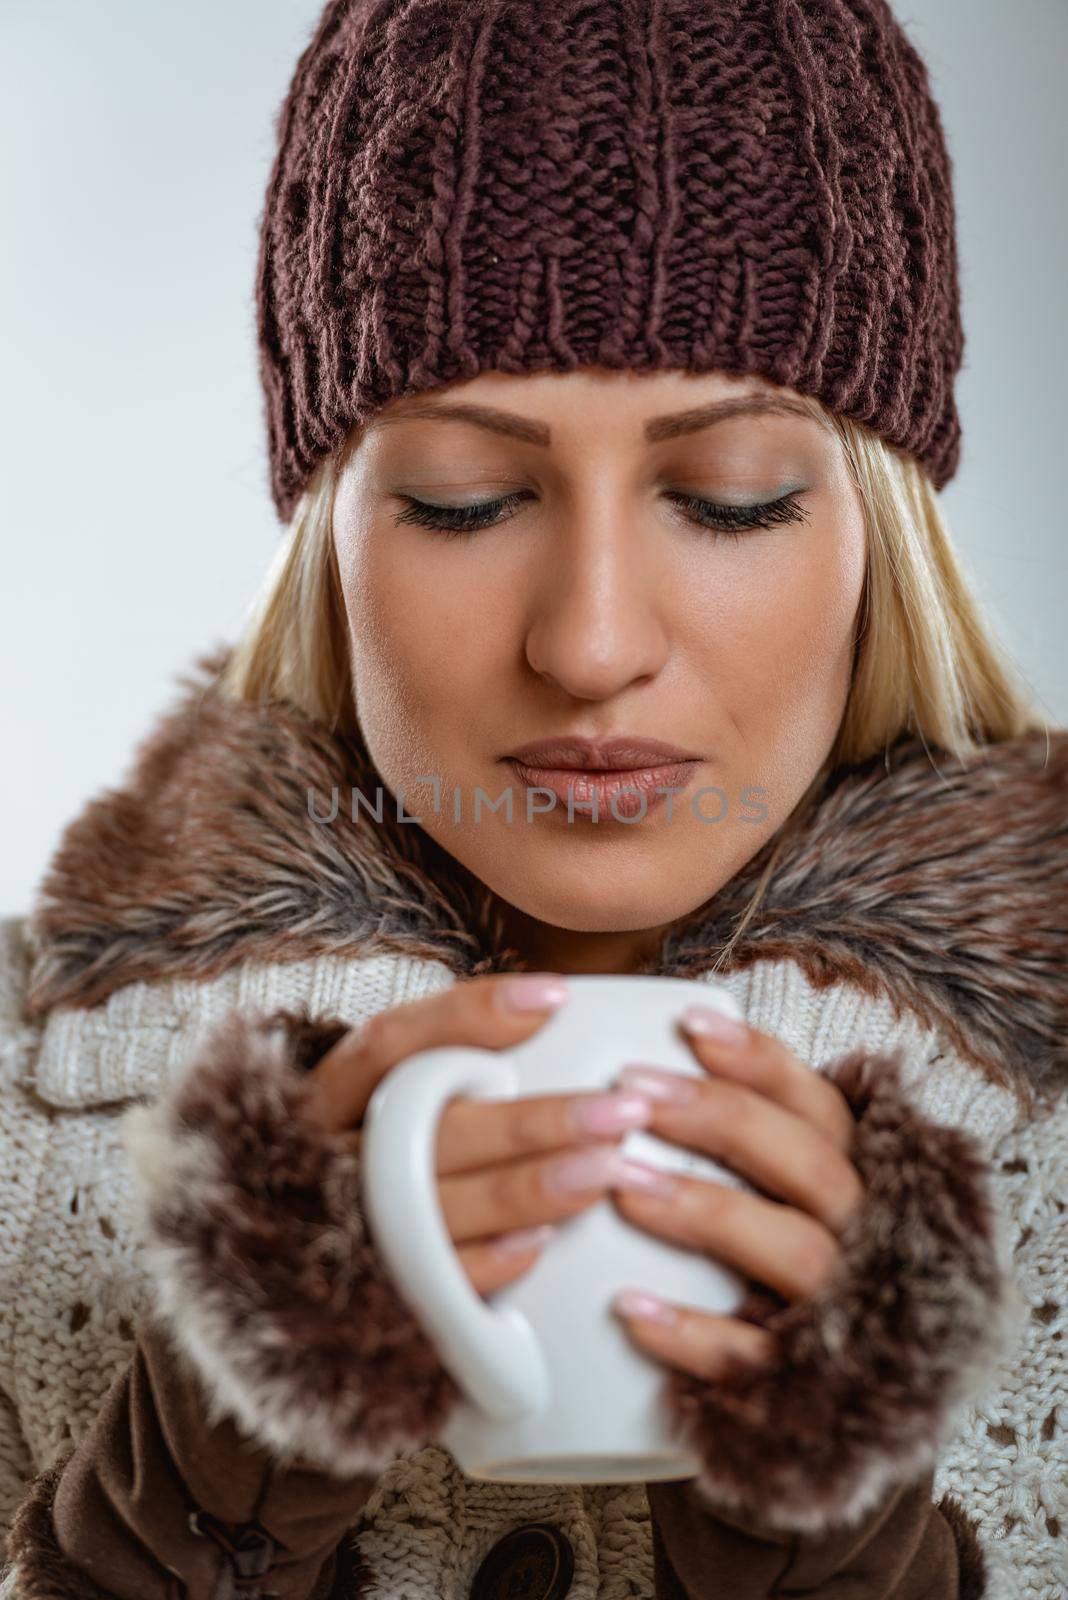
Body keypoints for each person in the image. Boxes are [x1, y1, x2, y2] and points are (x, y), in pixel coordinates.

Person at [1, 1, 1065, 1596]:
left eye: (729, 498)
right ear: (331, 537)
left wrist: (844, 1548)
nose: (589, 644)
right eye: (466, 499)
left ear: (874, 534)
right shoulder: (30, 1121)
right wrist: (192, 1494)